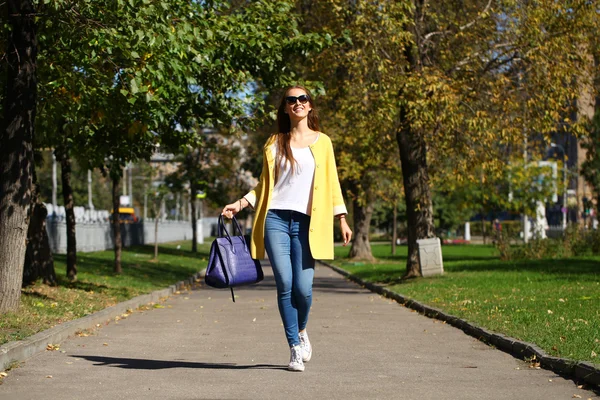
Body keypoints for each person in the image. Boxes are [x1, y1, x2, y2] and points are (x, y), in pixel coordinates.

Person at [221, 85, 352, 372]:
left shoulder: (324, 142)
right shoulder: (274, 142)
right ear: (285, 108)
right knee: (284, 284)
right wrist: (240, 204)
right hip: (275, 219)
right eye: (291, 100)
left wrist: (341, 217)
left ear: (310, 105)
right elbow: (263, 186)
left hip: (308, 222)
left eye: (302, 99)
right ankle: (294, 347)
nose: (297, 103)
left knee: (303, 289)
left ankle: (302, 330)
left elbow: (332, 183)